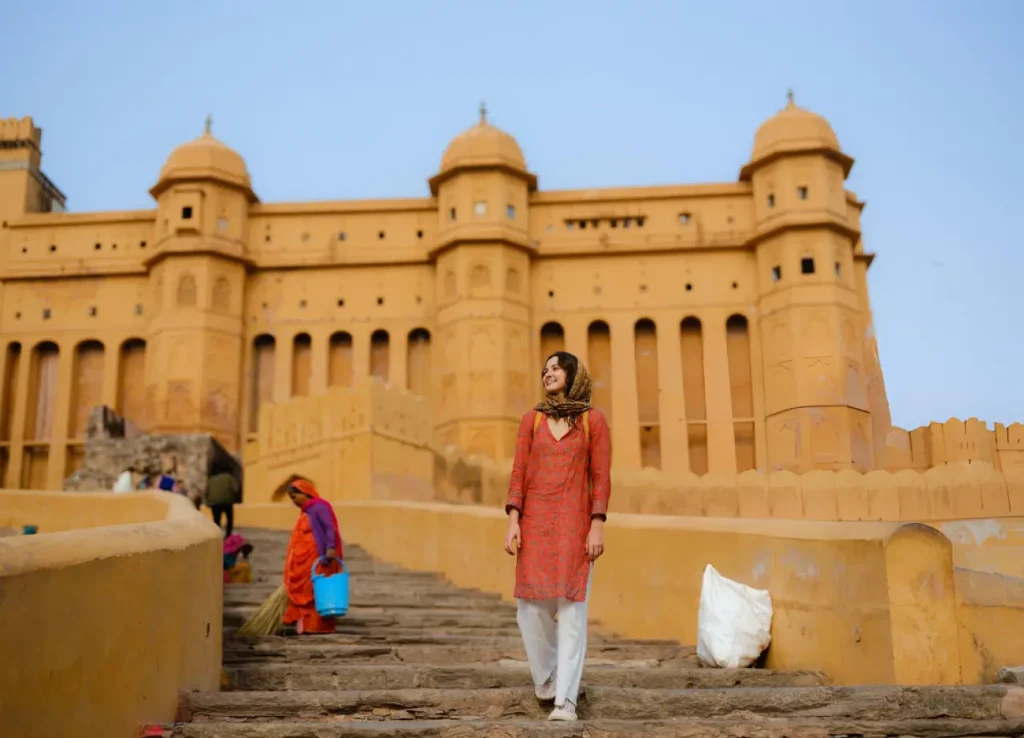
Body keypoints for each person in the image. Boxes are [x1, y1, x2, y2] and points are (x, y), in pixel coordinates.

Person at [504, 351, 611, 723]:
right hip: (535, 523)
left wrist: (597, 522)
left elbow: (600, 475)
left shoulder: (592, 421)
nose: (547, 373)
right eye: (544, 369)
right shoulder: (531, 421)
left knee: (571, 610)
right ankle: (548, 676)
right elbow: (519, 472)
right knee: (529, 610)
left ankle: (566, 701)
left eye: (555, 368)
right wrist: (513, 520)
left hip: (575, 525)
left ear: (573, 373)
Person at [283, 478, 343, 635]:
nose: (293, 501)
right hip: (303, 559)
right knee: (304, 590)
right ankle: (305, 625)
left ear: (305, 493)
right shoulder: (307, 511)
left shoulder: (320, 507)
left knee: (314, 590)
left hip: (317, 556)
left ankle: (318, 626)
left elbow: (330, 528)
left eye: (294, 497)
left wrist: (330, 547)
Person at [206, 470, 240, 537]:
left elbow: (206, 492)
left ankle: (217, 535)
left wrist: (208, 502)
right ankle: (228, 535)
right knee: (229, 519)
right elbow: (236, 488)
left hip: (214, 502)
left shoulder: (211, 479)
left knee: (216, 519)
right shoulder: (229, 477)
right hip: (227, 501)